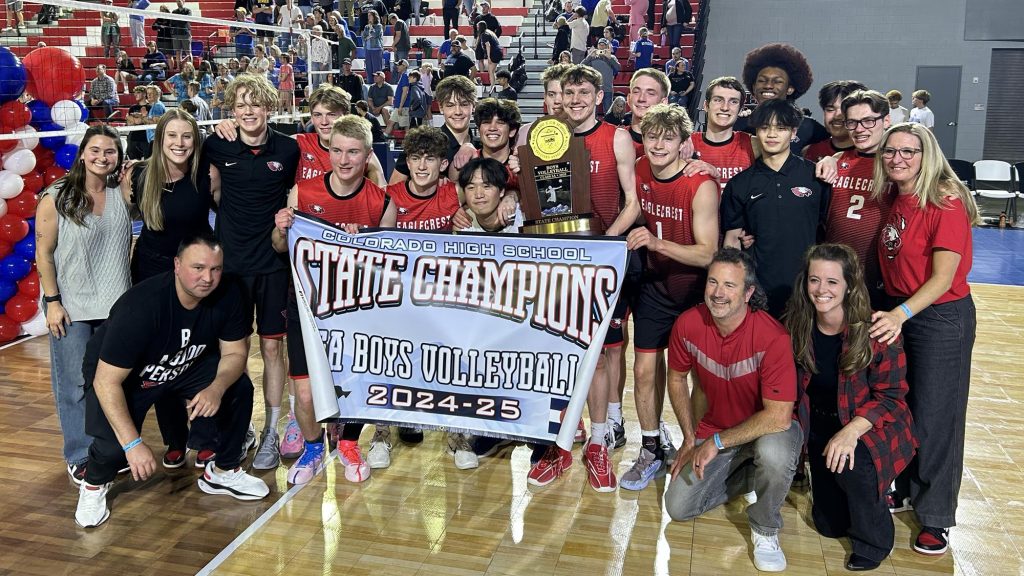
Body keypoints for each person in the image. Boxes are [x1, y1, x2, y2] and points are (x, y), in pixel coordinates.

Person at [72, 233, 270, 528]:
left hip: (185, 363)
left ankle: (223, 471)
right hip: (125, 378)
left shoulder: (228, 292)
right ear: (177, 265)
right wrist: (132, 444)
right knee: (113, 447)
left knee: (237, 387)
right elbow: (106, 382)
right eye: (198, 268)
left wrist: (215, 389)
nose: (207, 278)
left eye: (215, 269)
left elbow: (235, 353)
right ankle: (93, 485)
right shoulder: (141, 306)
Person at [870, 122, 979, 556]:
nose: (898, 158)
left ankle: (936, 516)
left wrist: (900, 313)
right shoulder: (896, 197)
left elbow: (943, 278)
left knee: (939, 418)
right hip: (905, 311)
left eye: (908, 151)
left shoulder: (946, 202)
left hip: (939, 317)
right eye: (890, 152)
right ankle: (911, 489)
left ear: (926, 154)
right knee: (909, 407)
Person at [528, 64, 639, 492]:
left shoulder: (617, 136)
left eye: (583, 92)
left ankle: (597, 444)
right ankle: (559, 446)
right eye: (568, 92)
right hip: (558, 260)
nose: (574, 99)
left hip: (602, 260)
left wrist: (606, 244)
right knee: (561, 354)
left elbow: (632, 203)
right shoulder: (544, 137)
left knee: (599, 354)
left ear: (598, 96)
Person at [272, 116, 397, 484]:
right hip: (308, 308)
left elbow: (389, 266)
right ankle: (313, 447)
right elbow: (280, 247)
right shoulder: (303, 192)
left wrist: (363, 243)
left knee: (355, 385)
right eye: (337, 150)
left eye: (353, 152)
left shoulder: (381, 202)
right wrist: (281, 228)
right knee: (307, 395)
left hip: (357, 311)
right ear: (328, 151)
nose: (344, 160)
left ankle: (348, 442)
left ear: (368, 155)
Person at [664, 247, 802, 573]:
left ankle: (765, 528)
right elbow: (676, 376)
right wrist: (688, 436)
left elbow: (779, 416)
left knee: (775, 454)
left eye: (729, 285)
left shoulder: (773, 338)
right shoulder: (688, 324)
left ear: (749, 292)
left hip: (769, 430)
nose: (718, 293)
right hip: (718, 431)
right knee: (678, 507)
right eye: (713, 282)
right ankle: (753, 475)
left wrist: (715, 443)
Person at [783, 243, 916, 572]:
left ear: (849, 285)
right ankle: (849, 495)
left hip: (870, 428)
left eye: (832, 282)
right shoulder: (797, 326)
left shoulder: (876, 332)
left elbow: (892, 396)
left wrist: (851, 432)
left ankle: (875, 540)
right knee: (829, 526)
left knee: (854, 467)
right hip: (820, 426)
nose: (821, 290)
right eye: (815, 280)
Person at [199, 74, 301, 472]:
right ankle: (238, 426)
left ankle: (272, 429)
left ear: (268, 107)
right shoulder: (216, 143)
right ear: (231, 110)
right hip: (232, 269)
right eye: (240, 104)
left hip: (274, 267)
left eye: (254, 103)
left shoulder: (288, 149)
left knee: (274, 349)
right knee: (232, 351)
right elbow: (212, 190)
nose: (247, 111)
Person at [619, 104, 718, 492]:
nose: (658, 144)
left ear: (683, 144)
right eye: (651, 136)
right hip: (656, 287)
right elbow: (633, 210)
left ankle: (697, 446)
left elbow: (708, 252)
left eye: (668, 137)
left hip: (695, 291)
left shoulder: (699, 183)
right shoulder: (640, 169)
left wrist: (658, 242)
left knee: (697, 377)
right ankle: (650, 447)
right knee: (644, 370)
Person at [35, 125, 132, 486]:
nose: (102, 157)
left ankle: (108, 448)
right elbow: (43, 255)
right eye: (96, 150)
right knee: (74, 384)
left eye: (110, 152)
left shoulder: (121, 193)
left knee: (111, 383)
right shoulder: (56, 196)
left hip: (115, 307)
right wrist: (53, 302)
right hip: (72, 307)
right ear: (82, 154)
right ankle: (79, 455)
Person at [124, 110, 221, 468]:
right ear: (159, 140)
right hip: (152, 273)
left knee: (202, 353)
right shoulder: (138, 175)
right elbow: (119, 218)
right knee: (160, 358)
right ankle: (175, 439)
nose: (179, 144)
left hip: (197, 275)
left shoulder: (206, 173)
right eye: (172, 137)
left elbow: (230, 212)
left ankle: (208, 435)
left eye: (186, 137)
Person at [720, 99, 831, 317]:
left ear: (793, 132)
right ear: (756, 132)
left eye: (781, 128)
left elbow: (827, 231)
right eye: (764, 128)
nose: (772, 134)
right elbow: (732, 241)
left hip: (808, 289)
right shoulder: (740, 183)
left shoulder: (815, 177)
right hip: (759, 289)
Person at [824, 89, 895, 310]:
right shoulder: (837, 161)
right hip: (835, 274)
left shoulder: (896, 164)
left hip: (878, 276)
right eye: (852, 122)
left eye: (868, 121)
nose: (860, 129)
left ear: (886, 120)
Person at [737, 43, 829, 154]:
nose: (768, 86)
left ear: (790, 88)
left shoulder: (809, 127)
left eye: (778, 81)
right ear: (753, 87)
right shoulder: (739, 125)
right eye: (762, 80)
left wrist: (831, 160)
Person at [690, 76, 756, 193]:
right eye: (718, 100)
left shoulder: (753, 145)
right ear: (706, 106)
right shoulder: (687, 144)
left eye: (733, 102)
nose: (725, 107)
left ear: (740, 110)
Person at [803, 80, 866, 162]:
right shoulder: (810, 151)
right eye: (830, 109)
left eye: (844, 109)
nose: (837, 116)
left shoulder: (875, 154)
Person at [456, 156, 521, 232]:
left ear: (501, 191)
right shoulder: (462, 225)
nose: (479, 195)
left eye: (486, 186)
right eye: (471, 187)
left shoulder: (523, 217)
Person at [581, 39, 619, 113]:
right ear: (597, 46)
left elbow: (617, 68)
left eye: (603, 45)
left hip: (607, 89)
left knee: (608, 113)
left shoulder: (611, 57)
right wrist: (589, 56)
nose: (601, 47)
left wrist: (610, 58)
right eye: (600, 45)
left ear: (607, 46)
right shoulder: (592, 57)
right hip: (595, 89)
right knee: (593, 113)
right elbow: (581, 67)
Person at [474, 21, 502, 93]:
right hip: (498, 52)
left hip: (494, 53)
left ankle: (492, 87)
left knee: (491, 71)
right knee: (492, 71)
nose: (477, 28)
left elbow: (488, 45)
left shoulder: (484, 34)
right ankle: (493, 86)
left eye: (478, 27)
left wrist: (489, 57)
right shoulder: (489, 32)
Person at [361, 10, 384, 78]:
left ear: (374, 16)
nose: (369, 17)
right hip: (367, 49)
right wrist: (369, 36)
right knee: (368, 68)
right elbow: (364, 36)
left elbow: (375, 34)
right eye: (368, 16)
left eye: (370, 15)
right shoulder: (366, 27)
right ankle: (370, 82)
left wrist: (370, 31)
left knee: (376, 69)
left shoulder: (379, 26)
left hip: (376, 49)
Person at [171, 0, 193, 66]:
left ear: (183, 2)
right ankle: (178, 67)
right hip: (176, 33)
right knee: (177, 52)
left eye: (179, 1)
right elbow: (173, 22)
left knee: (188, 52)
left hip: (185, 33)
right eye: (177, 1)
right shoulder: (174, 12)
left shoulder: (188, 11)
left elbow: (187, 19)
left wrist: (178, 20)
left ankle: (190, 67)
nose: (178, 2)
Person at [278, 53, 295, 117]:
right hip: (282, 88)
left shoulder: (288, 66)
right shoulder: (281, 67)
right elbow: (279, 78)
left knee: (288, 104)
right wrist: (281, 77)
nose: (279, 59)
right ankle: (278, 121)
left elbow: (283, 78)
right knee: (280, 104)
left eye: (281, 58)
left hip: (288, 88)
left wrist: (281, 77)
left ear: (285, 59)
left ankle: (290, 121)